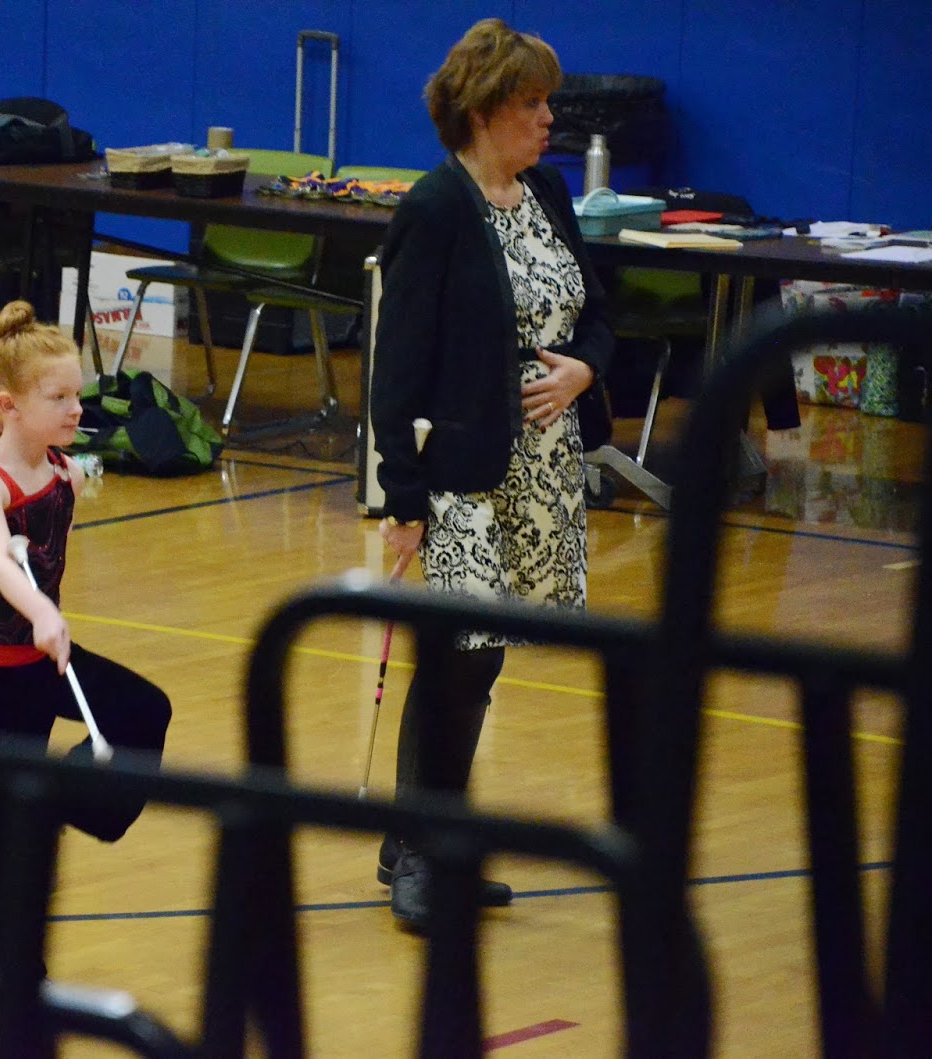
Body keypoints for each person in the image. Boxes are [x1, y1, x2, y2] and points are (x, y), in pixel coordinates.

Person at [369, 18, 614, 931]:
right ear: (480, 112)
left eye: (549, 102)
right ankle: (420, 853)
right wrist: (401, 495)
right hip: (462, 469)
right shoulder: (435, 209)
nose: (550, 119)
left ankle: (418, 838)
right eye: (532, 103)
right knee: (459, 656)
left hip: (544, 471)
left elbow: (598, 316)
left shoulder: (546, 191)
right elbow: (395, 368)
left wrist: (585, 369)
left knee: (480, 661)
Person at [0, 300, 171, 972]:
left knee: (143, 709)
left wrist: (48, 617)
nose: (76, 409)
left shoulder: (64, 473)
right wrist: (41, 612)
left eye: (77, 394)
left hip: (40, 660)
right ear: (10, 406)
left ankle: (69, 798)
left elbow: (48, 553)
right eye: (59, 397)